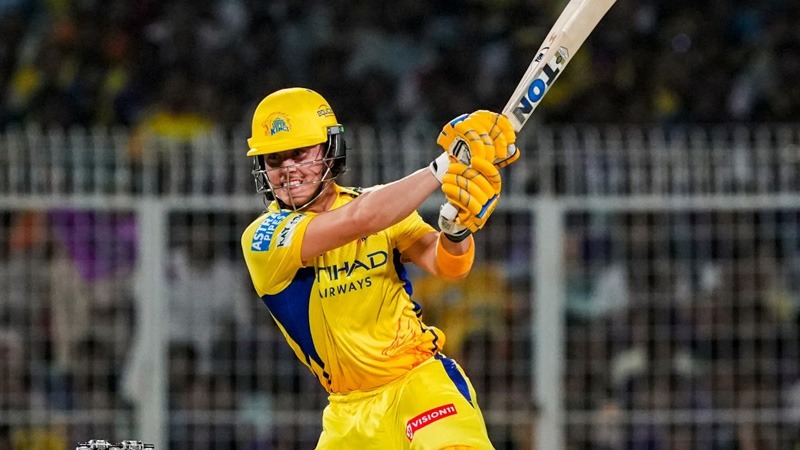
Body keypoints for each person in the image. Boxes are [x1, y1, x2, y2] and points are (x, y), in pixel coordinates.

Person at [240, 87, 519, 449]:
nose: (288, 169)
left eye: (299, 153)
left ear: (329, 149)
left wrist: (456, 230)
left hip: (419, 384)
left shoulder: (381, 205)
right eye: (275, 160)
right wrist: (445, 165)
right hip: (346, 414)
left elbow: (449, 266)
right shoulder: (263, 238)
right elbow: (360, 219)